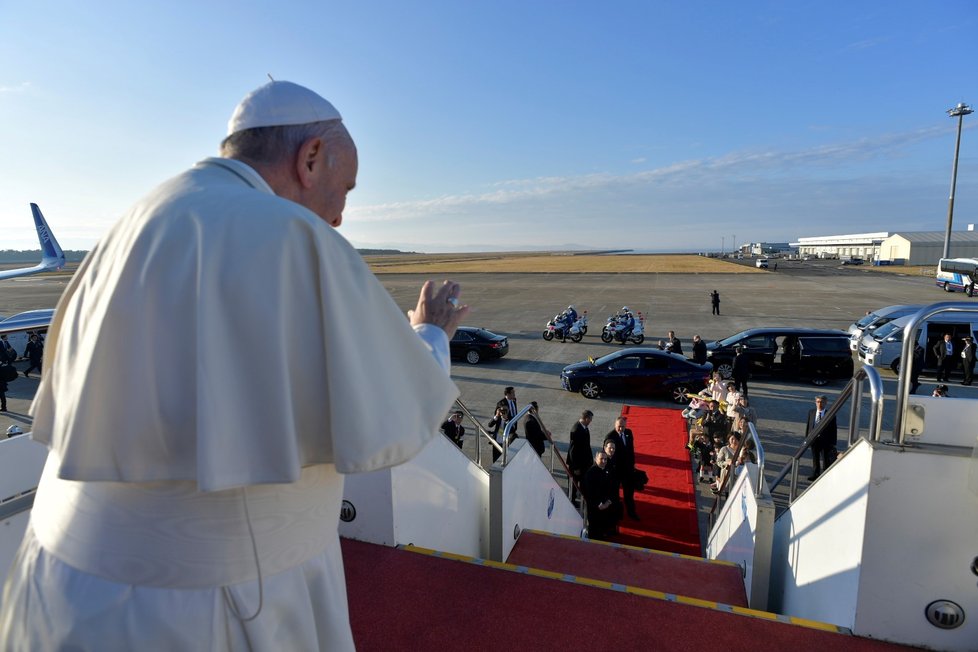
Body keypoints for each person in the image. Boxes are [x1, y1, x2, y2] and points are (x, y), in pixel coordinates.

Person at [0, 80, 466, 651]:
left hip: (55, 592)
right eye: (345, 189)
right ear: (310, 157)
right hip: (214, 610)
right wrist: (429, 335)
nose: (340, 217)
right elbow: (395, 411)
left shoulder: (132, 223)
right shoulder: (293, 237)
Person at [604, 416, 639, 520]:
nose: (621, 429)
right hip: (616, 472)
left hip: (628, 471)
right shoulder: (610, 437)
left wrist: (632, 465)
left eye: (623, 426)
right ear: (615, 425)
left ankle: (631, 513)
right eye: (619, 426)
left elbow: (631, 450)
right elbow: (608, 455)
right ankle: (615, 515)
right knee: (614, 495)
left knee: (629, 494)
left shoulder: (629, 433)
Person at [583, 451, 616, 540]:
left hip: (607, 506)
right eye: (601, 459)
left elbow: (612, 489)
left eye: (605, 459)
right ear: (595, 459)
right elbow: (589, 492)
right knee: (595, 534)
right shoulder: (590, 473)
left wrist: (608, 502)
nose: (604, 461)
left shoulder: (608, 471)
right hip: (595, 509)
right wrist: (600, 504)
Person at [805, 395, 838, 480]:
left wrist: (833, 443)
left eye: (822, 402)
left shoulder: (830, 414)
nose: (820, 404)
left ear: (826, 403)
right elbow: (809, 425)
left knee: (825, 459)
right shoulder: (811, 412)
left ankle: (825, 476)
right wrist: (807, 439)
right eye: (818, 402)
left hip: (825, 441)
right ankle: (815, 474)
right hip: (814, 440)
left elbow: (834, 429)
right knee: (815, 458)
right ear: (815, 402)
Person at [567, 410, 594, 503]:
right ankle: (572, 502)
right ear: (586, 419)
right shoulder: (576, 430)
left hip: (584, 463)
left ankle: (581, 501)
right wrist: (576, 468)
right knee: (574, 486)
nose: (591, 421)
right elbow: (573, 451)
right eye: (590, 419)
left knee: (583, 484)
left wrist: (590, 460)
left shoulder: (584, 428)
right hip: (577, 465)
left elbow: (587, 445)